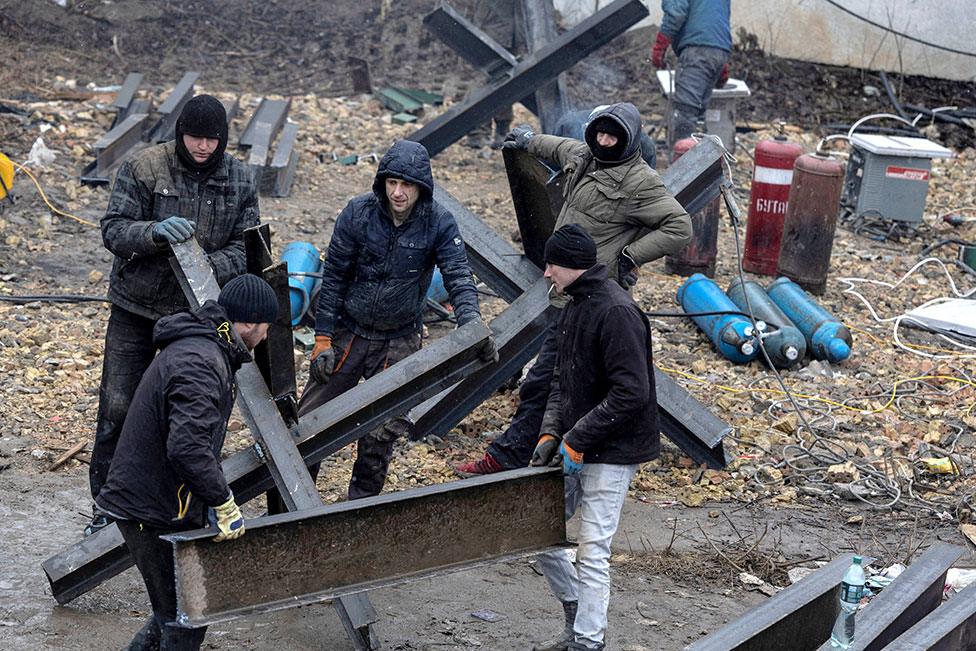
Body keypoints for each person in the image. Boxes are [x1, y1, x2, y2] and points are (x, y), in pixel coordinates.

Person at [455, 102, 689, 476]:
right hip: (569, 296)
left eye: (614, 135)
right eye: (600, 131)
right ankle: (536, 457)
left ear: (629, 141)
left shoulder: (640, 182)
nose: (605, 140)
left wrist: (628, 256)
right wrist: (530, 140)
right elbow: (558, 147)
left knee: (552, 381)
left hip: (600, 303)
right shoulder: (584, 156)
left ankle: (519, 459)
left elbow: (680, 226)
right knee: (552, 383)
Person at [276, 139, 495, 506]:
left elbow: (458, 275)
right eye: (392, 183)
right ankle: (292, 506)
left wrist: (472, 325)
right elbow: (334, 278)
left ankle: (359, 509)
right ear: (382, 183)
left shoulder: (438, 222)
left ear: (420, 187)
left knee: (381, 434)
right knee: (308, 424)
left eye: (406, 185)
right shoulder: (358, 214)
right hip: (349, 331)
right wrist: (323, 339)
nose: (398, 192)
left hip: (399, 339)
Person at [88, 93, 259, 536]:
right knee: (118, 410)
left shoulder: (240, 180)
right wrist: (154, 234)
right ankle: (107, 510)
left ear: (223, 141)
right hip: (137, 309)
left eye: (212, 139)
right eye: (195, 137)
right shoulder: (145, 167)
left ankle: (185, 506)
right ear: (180, 133)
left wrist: (199, 262)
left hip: (196, 320)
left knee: (194, 415)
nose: (203, 146)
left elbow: (249, 248)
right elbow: (113, 229)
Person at [95, 273, 278, 651]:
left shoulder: (206, 349)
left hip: (154, 501)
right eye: (266, 327)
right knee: (187, 617)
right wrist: (222, 500)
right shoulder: (201, 362)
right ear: (250, 323)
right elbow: (187, 447)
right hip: (149, 508)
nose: (266, 337)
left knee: (174, 613)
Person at [528, 225, 660, 651]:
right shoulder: (574, 306)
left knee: (593, 550)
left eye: (551, 264)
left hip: (615, 450)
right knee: (537, 535)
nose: (546, 273)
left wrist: (577, 437)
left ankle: (587, 642)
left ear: (570, 265)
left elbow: (632, 393)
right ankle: (575, 615)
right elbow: (559, 381)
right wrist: (551, 431)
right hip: (575, 442)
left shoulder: (617, 312)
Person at [650, 0, 732, 147]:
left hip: (696, 50)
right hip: (719, 52)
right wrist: (721, 63)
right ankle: (702, 163)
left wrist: (659, 47)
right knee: (699, 114)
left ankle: (683, 164)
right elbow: (717, 19)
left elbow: (675, 14)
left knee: (685, 112)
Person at [464, 0, 525, 149]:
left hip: (509, 37)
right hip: (491, 36)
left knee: (505, 84)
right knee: (484, 84)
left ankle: (501, 129)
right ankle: (478, 132)